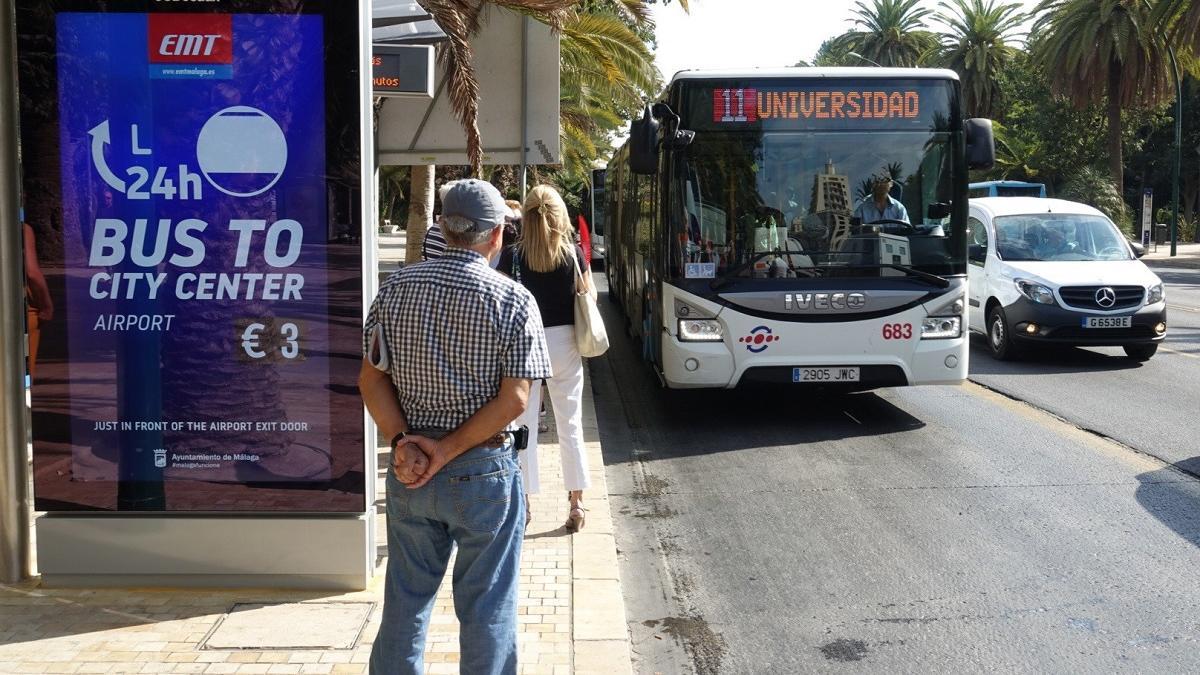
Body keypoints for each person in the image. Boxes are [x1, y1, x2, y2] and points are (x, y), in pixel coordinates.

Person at [362, 179, 552, 674]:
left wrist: (404, 443)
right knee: (487, 606)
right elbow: (515, 398)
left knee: (405, 601)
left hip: (410, 474)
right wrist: (446, 451)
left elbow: (371, 380)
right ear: (494, 237)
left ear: (444, 229)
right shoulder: (513, 300)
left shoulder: (394, 290)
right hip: (484, 474)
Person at [497, 186, 593, 533]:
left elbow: (503, 301)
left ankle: (523, 503)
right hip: (564, 342)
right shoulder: (572, 254)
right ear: (559, 215)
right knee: (570, 423)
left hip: (525, 343)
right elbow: (588, 296)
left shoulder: (513, 255)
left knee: (521, 427)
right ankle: (577, 502)